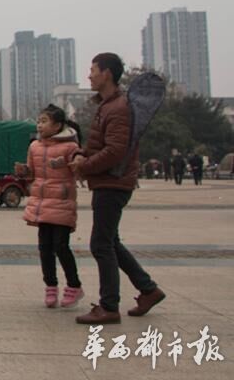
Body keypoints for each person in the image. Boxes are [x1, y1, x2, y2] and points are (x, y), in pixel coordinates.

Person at [70, 53, 164, 324]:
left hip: (113, 182)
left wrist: (84, 166)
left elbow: (115, 151)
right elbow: (101, 145)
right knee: (111, 241)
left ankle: (109, 306)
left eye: (92, 70)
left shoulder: (118, 107)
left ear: (107, 73)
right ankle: (148, 289)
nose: (89, 75)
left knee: (100, 244)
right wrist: (81, 153)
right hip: (107, 181)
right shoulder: (108, 106)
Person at [15, 104, 84, 309]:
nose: (39, 125)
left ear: (58, 125)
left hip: (62, 203)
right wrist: (23, 172)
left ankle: (74, 285)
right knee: (45, 248)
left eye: (44, 121)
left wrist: (76, 163)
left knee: (61, 246)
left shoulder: (71, 147)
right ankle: (50, 286)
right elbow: (32, 175)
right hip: (42, 203)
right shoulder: (34, 146)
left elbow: (78, 170)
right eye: (39, 121)